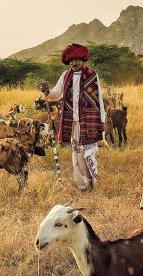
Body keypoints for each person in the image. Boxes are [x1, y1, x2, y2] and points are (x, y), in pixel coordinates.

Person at [41, 43, 105, 191]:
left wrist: (102, 120)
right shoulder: (65, 75)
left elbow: (98, 98)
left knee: (88, 154)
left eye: (76, 60)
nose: (73, 63)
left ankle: (91, 184)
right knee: (76, 155)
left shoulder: (92, 75)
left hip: (88, 121)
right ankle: (82, 186)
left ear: (82, 60)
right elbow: (56, 94)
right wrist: (47, 91)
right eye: (71, 60)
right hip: (73, 122)